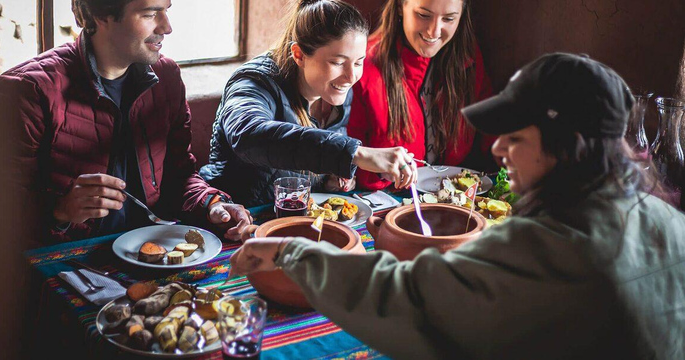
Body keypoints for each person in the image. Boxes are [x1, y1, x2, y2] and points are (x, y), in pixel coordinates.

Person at [230, 52, 685, 359]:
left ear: (568, 147)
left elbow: (406, 298)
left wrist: (290, 253)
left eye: (517, 136)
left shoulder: (546, 244)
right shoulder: (666, 219)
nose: (498, 149)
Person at [0, 0, 251, 245]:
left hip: (156, 252)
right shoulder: (28, 92)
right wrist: (60, 210)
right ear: (102, 16)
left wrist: (212, 203)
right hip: (67, 263)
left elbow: (179, 176)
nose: (166, 27)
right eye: (150, 13)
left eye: (165, 11)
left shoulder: (166, 77)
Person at [199, 0, 420, 207]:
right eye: (337, 62)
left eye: (358, 62)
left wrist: (332, 180)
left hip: (293, 219)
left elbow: (315, 156)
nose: (351, 76)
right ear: (299, 55)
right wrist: (355, 154)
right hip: (233, 218)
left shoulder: (337, 92)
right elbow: (248, 135)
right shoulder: (254, 81)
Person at [348, 0, 495, 190]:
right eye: (423, 15)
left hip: (454, 203)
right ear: (400, 6)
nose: (433, 31)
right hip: (385, 205)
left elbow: (493, 128)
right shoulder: (362, 66)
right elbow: (349, 161)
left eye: (448, 18)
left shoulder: (468, 59)